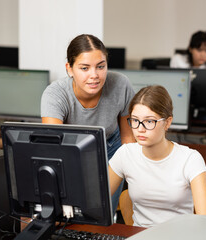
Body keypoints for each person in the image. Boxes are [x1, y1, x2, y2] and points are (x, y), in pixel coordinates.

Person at [40, 34, 136, 215]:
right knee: (75, 211)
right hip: (72, 151)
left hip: (112, 147)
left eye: (101, 66)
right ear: (69, 69)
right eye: (84, 68)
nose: (94, 76)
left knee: (102, 211)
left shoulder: (120, 84)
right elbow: (54, 150)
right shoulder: (55, 94)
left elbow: (128, 139)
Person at [108, 85, 206, 228]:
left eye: (149, 121)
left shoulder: (190, 159)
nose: (140, 129)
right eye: (134, 120)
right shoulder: (125, 154)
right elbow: (97, 203)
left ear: (167, 122)